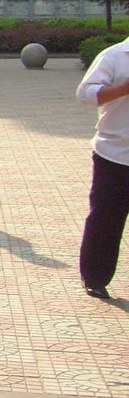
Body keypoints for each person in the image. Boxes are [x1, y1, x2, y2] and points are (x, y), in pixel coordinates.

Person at [75, 34, 129, 299]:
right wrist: (123, 88)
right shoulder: (114, 56)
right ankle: (95, 277)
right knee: (106, 218)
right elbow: (85, 94)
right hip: (115, 154)